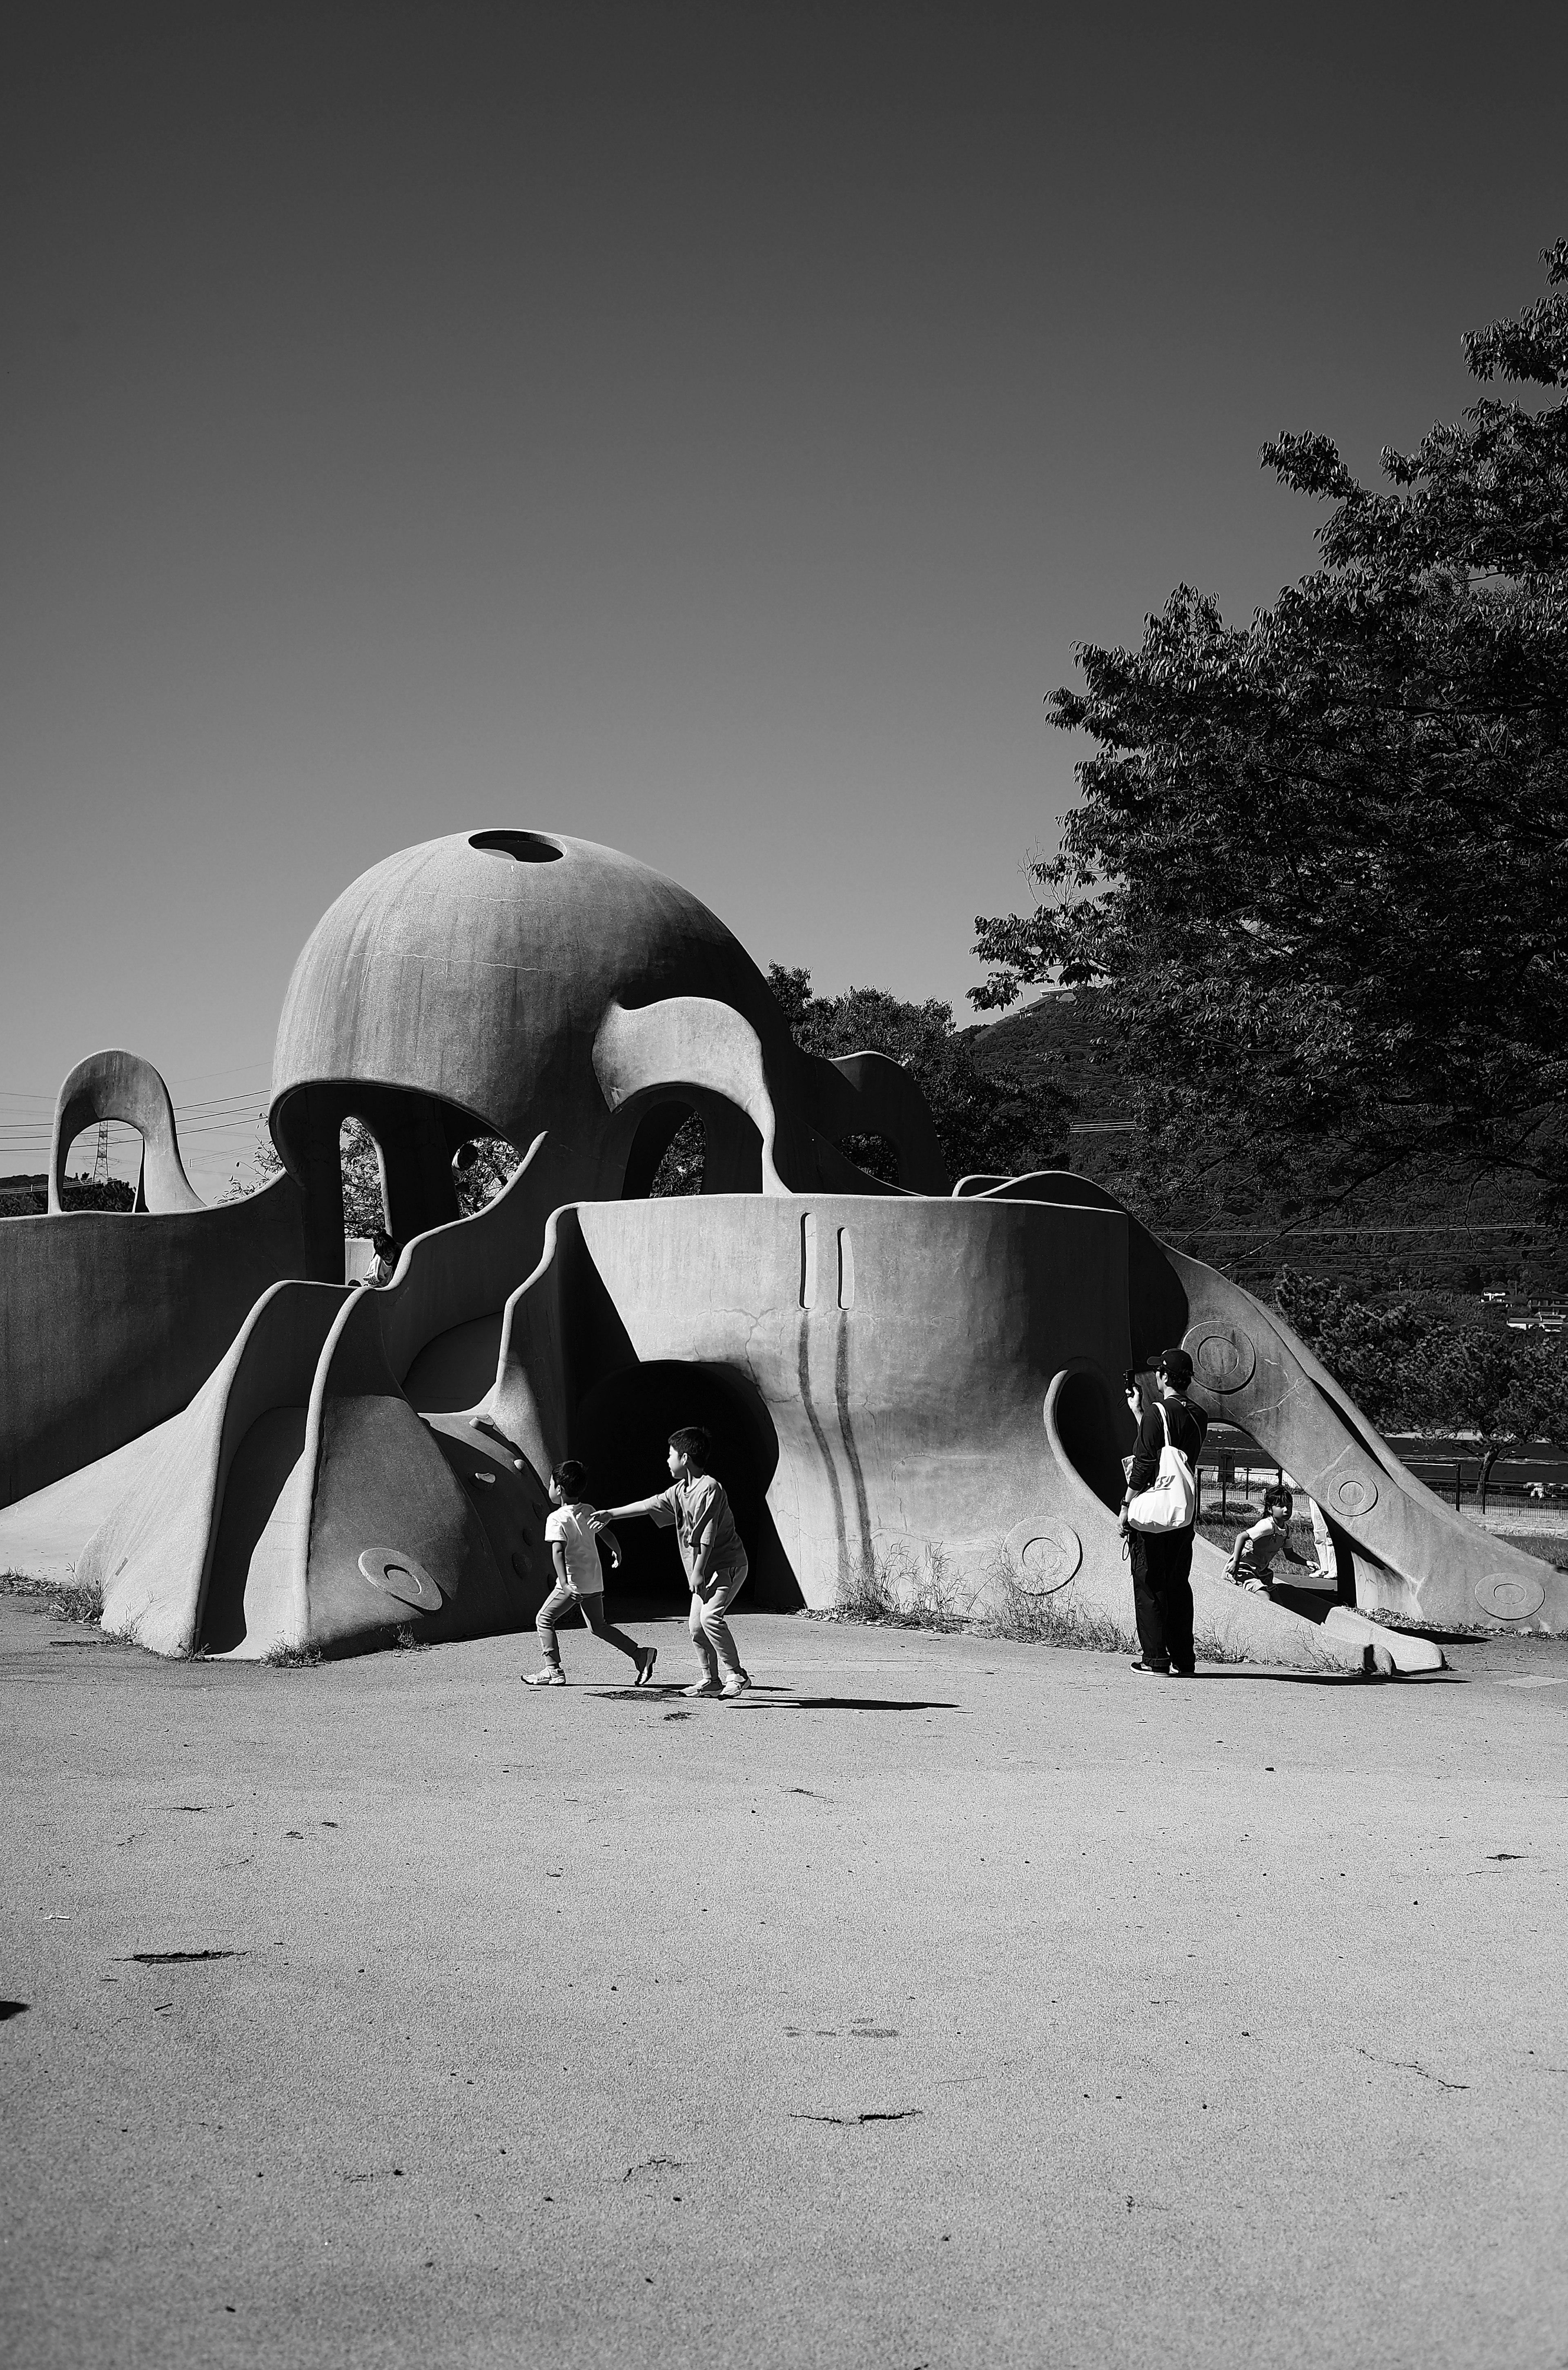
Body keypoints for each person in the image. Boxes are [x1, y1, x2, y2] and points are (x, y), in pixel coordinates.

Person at [591, 1428, 752, 1699]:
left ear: (685, 1458)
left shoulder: (709, 1488)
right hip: (704, 1570)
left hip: (727, 1565)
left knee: (711, 1618)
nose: (667, 1461)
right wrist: (611, 1514)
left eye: (670, 1455)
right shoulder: (680, 1491)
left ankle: (736, 1674)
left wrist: (698, 1571)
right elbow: (648, 1505)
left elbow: (708, 1534)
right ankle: (710, 1681)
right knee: (696, 1626)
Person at [523, 1461, 657, 1689]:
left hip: (573, 1583)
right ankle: (640, 1654)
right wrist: (617, 1550)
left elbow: (558, 1551)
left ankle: (553, 1670)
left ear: (559, 1489)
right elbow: (606, 1533)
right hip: (594, 1581)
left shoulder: (556, 1518)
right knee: (598, 1626)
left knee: (544, 1620)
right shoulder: (588, 1510)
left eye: (550, 1483)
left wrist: (564, 1584)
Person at [1120, 1347, 1209, 1677]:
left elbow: (1145, 1461)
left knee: (1149, 1581)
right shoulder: (1199, 1415)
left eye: (1159, 1371)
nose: (1156, 1375)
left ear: (1166, 1377)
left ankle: (1155, 1659)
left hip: (1153, 1513)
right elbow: (1171, 1453)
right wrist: (1139, 1412)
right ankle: (1184, 1659)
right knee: (1177, 1583)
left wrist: (1126, 1505)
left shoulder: (1160, 1412)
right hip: (1182, 1512)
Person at [1223, 1484, 1317, 1593]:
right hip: (1243, 1569)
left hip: (1260, 1571)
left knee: (1277, 1600)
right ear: (1270, 1509)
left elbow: (1290, 1554)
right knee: (1265, 1597)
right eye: (1281, 1506)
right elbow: (1241, 1537)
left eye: (1289, 1505)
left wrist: (1306, 1563)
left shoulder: (1286, 1530)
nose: (1286, 1510)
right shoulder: (1267, 1526)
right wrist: (1236, 1562)